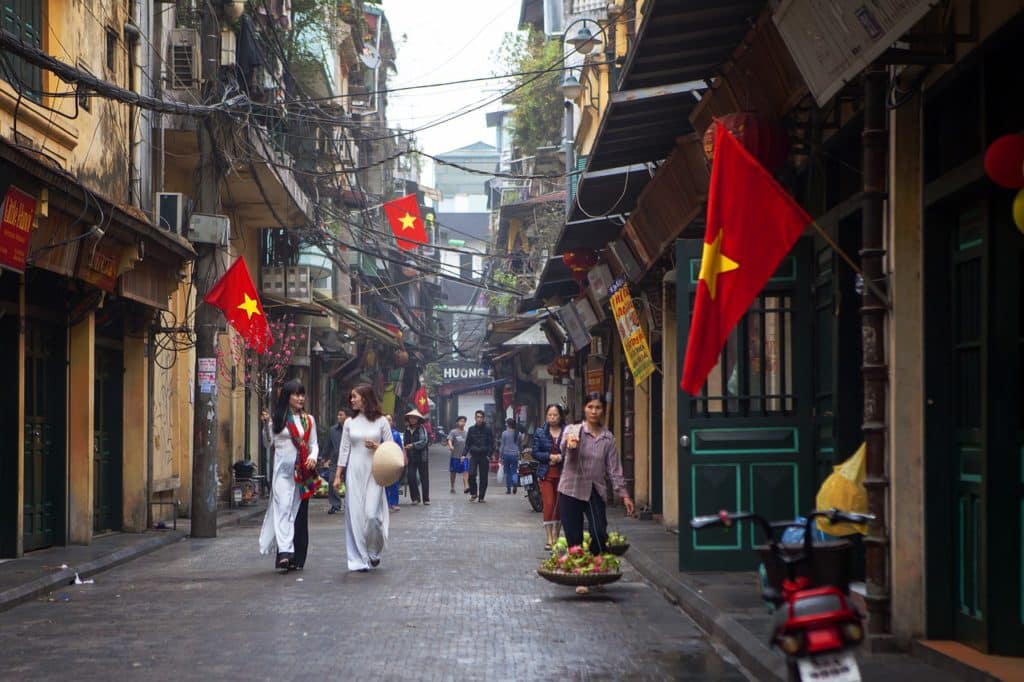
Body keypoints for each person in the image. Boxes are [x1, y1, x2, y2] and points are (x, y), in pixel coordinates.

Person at [559, 392, 635, 594]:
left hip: (594, 490)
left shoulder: (607, 438)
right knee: (573, 536)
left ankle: (596, 569)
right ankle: (581, 578)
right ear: (584, 409)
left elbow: (614, 469)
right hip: (570, 489)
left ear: (603, 410)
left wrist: (624, 494)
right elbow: (563, 449)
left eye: (598, 407)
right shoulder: (573, 430)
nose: (594, 411)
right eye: (590, 407)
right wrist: (570, 443)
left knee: (599, 532)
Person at [258, 380, 319, 571]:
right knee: (283, 509)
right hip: (282, 473)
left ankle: (295, 555)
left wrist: (313, 457)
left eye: (302, 394)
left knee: (295, 513)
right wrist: (267, 425)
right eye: (296, 394)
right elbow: (268, 443)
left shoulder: (308, 420)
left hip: (301, 474)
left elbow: (313, 444)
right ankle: (285, 551)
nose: (300, 398)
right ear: (287, 396)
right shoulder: (278, 418)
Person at [333, 383, 393, 572]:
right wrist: (337, 475)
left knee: (372, 515)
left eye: (355, 397)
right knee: (356, 517)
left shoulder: (382, 421)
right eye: (351, 397)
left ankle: (374, 551)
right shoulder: (349, 423)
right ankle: (359, 559)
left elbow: (391, 448)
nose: (351, 400)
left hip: (375, 471)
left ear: (365, 398)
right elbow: (344, 450)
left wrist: (377, 446)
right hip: (354, 472)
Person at [533, 404, 566, 550]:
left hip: (563, 474)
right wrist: (549, 456)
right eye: (550, 415)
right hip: (546, 473)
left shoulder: (567, 432)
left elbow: (573, 451)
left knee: (559, 506)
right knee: (549, 504)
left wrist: (561, 457)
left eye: (555, 415)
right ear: (546, 416)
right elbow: (535, 452)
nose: (552, 418)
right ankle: (549, 538)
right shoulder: (540, 432)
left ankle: (557, 536)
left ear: (560, 416)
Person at [403, 408, 430, 505]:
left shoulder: (422, 429)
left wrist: (413, 445)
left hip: (422, 457)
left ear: (418, 419)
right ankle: (415, 498)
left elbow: (424, 441)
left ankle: (426, 499)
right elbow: (404, 442)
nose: (412, 420)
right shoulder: (406, 430)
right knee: (411, 477)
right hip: (411, 458)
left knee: (424, 478)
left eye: (414, 418)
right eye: (411, 418)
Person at [465, 410, 493, 502]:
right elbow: (468, 444)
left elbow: (491, 443)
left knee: (483, 477)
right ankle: (474, 493)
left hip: (484, 456)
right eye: (478, 417)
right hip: (474, 455)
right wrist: (463, 454)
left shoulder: (488, 429)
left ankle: (481, 497)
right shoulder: (471, 429)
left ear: (483, 418)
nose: (479, 419)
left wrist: (489, 455)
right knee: (471, 474)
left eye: (481, 417)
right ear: (475, 418)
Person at [325, 408, 348, 514]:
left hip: (349, 460)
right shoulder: (333, 430)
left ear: (347, 417)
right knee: (331, 481)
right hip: (335, 460)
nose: (338, 417)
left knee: (350, 482)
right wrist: (323, 458)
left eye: (341, 415)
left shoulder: (351, 429)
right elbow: (328, 444)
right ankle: (335, 504)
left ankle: (350, 504)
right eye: (338, 415)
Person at [384, 415, 403, 512]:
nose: (388, 422)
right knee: (384, 483)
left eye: (389, 420)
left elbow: (400, 448)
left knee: (394, 483)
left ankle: (394, 503)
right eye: (386, 420)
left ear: (392, 422)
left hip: (393, 460)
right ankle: (385, 503)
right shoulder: (379, 434)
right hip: (382, 461)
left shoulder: (396, 434)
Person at [499, 418, 522, 495]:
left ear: (508, 424)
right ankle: (515, 482)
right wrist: (520, 454)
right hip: (515, 454)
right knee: (514, 471)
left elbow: (502, 446)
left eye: (506, 423)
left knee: (508, 472)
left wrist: (500, 456)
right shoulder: (518, 434)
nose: (505, 424)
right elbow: (520, 446)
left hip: (506, 455)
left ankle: (508, 489)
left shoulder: (504, 433)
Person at [447, 416, 468, 494]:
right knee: (453, 472)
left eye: (463, 421)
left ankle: (466, 486)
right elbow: (449, 439)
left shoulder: (466, 433)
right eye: (460, 421)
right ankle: (452, 486)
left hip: (464, 456)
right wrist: (451, 446)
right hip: (455, 456)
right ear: (457, 423)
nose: (462, 423)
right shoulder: (453, 432)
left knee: (465, 471)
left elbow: (469, 444)